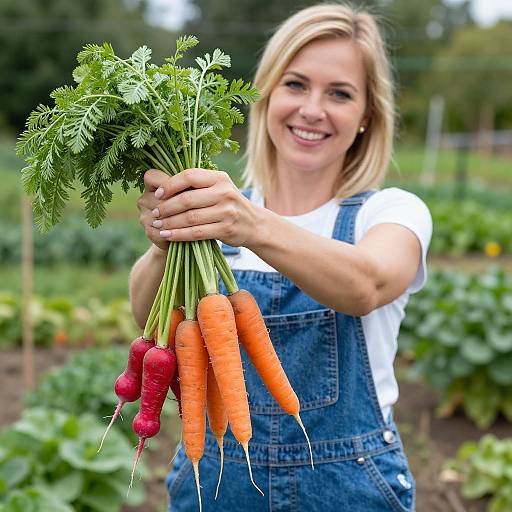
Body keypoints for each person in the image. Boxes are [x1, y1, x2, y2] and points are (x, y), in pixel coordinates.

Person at [129, 3, 432, 511]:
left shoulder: (388, 212)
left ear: (366, 117)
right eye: (296, 85)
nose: (313, 109)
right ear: (266, 97)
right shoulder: (217, 215)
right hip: (216, 483)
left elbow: (367, 285)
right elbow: (148, 319)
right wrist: (165, 241)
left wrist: (249, 222)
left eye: (339, 93)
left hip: (348, 490)